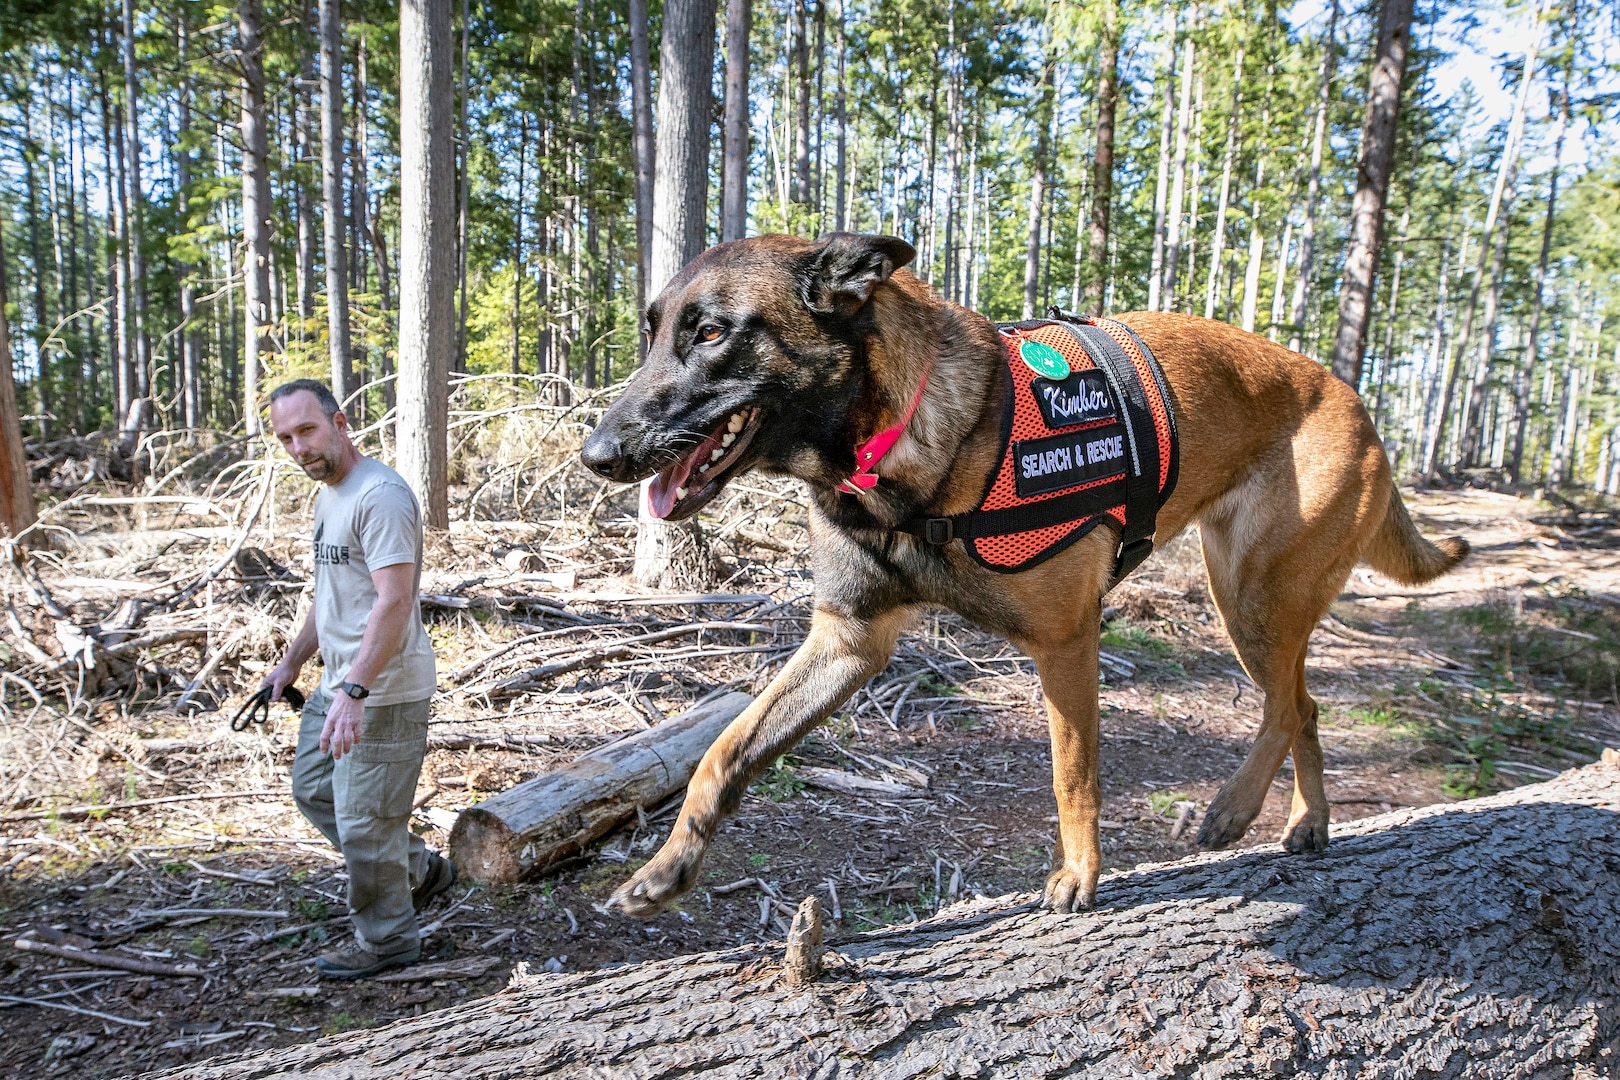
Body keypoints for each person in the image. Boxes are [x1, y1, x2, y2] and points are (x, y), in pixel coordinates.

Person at [262, 379, 457, 979]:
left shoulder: (382, 496)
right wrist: (294, 661)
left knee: (365, 823)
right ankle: (421, 871)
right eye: (286, 438)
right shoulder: (331, 494)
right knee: (314, 789)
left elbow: (395, 602)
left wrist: (355, 689)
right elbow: (331, 595)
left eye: (307, 431)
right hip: (339, 683)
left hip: (382, 688)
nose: (298, 448)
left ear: (340, 422)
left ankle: (388, 939)